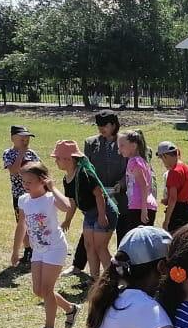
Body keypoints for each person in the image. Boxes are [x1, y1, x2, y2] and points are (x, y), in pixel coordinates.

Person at [17, 161, 78, 328]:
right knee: (39, 290)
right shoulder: (23, 200)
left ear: (42, 180)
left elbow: (67, 207)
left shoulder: (50, 198)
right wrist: (15, 250)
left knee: (47, 289)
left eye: (30, 182)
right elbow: (21, 225)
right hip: (38, 249)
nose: (26, 185)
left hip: (55, 247)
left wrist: (53, 188)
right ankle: (70, 308)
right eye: (24, 181)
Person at [53, 140, 116, 279]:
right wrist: (68, 220)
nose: (55, 161)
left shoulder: (85, 174)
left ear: (68, 159)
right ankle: (95, 279)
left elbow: (99, 194)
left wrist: (102, 215)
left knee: (100, 247)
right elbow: (72, 201)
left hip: (104, 211)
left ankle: (111, 280)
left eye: (57, 158)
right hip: (89, 214)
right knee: (89, 245)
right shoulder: (67, 178)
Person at [74, 111, 127, 275]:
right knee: (90, 234)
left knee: (123, 231)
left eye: (105, 125)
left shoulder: (125, 141)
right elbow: (86, 169)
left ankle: (123, 270)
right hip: (97, 195)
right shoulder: (91, 143)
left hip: (120, 195)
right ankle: (78, 265)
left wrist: (122, 183)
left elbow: (131, 167)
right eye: (99, 126)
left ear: (114, 125)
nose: (101, 129)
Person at [3, 124, 40, 266]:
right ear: (13, 138)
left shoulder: (32, 153)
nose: (25, 141)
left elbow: (41, 170)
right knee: (22, 222)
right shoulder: (8, 153)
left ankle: (38, 247)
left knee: (37, 221)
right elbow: (13, 171)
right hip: (19, 195)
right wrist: (21, 154)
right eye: (22, 139)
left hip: (35, 194)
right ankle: (28, 249)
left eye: (27, 139)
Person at [118, 130, 157, 235]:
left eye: (122, 146)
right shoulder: (139, 160)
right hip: (139, 205)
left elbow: (144, 185)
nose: (119, 150)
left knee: (138, 240)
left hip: (140, 206)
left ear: (134, 146)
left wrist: (144, 209)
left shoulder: (134, 162)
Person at [155, 141, 188, 232]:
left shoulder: (174, 172)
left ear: (165, 156)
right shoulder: (186, 168)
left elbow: (173, 198)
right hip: (187, 210)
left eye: (161, 158)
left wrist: (166, 221)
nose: (163, 162)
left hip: (177, 212)